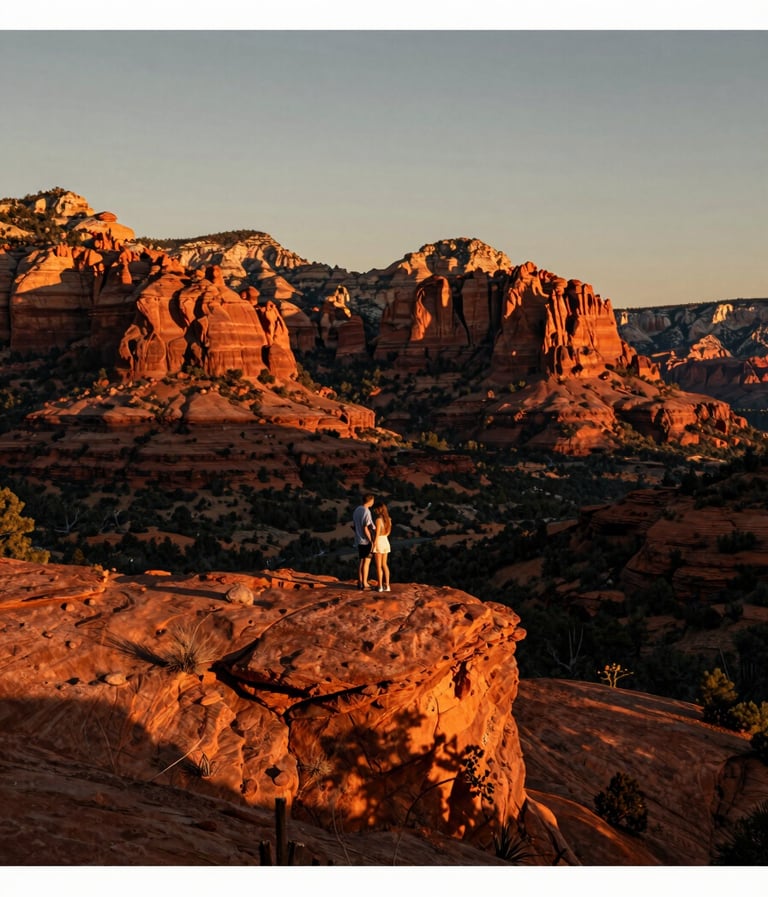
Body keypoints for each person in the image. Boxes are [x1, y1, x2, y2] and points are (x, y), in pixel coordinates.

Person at [352, 493, 375, 590]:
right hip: (366, 540)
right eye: (373, 500)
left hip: (358, 539)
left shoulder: (357, 509)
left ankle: (360, 582)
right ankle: (365, 584)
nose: (373, 502)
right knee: (367, 562)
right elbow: (366, 528)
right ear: (370, 501)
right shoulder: (366, 511)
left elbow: (354, 525)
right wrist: (371, 541)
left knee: (361, 561)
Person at [371, 502, 392, 592]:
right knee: (385, 565)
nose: (375, 511)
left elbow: (377, 533)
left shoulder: (378, 520)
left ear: (379, 510)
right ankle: (387, 585)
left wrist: (373, 545)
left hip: (379, 541)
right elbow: (388, 533)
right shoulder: (389, 519)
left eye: (376, 509)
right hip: (386, 541)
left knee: (378, 566)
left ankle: (379, 586)